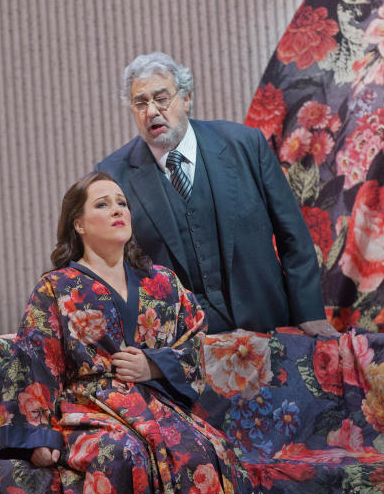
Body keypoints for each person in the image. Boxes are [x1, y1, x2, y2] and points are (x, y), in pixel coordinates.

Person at [0, 171, 276, 494]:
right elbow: (33, 362)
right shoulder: (56, 287)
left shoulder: (162, 281)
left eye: (122, 203)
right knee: (124, 454)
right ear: (78, 223)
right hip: (90, 408)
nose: (117, 210)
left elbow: (195, 342)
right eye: (103, 204)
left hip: (156, 406)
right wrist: (37, 438)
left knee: (205, 449)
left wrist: (154, 366)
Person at [97, 52, 335, 336]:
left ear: (186, 99)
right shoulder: (114, 175)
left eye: (161, 98)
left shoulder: (245, 145)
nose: (151, 111)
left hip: (267, 327)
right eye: (140, 103)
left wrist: (308, 312)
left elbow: (292, 235)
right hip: (181, 348)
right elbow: (110, 266)